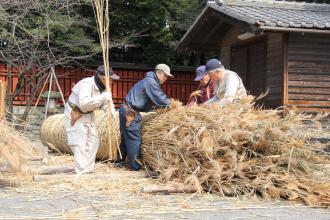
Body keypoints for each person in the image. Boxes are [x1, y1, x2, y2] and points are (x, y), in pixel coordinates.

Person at [64, 65, 119, 174]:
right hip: (76, 113)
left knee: (93, 142)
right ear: (103, 78)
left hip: (89, 115)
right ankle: (82, 171)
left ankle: (88, 169)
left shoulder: (105, 88)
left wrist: (110, 110)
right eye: (111, 79)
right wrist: (102, 97)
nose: (112, 81)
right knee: (79, 143)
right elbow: (84, 104)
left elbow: (106, 103)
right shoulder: (87, 84)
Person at [117, 64, 172, 171]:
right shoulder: (150, 82)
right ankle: (135, 166)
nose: (166, 79)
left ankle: (119, 161)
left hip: (127, 110)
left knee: (126, 137)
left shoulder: (149, 81)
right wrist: (173, 104)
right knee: (134, 139)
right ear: (159, 73)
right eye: (165, 76)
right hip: (130, 112)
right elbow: (160, 99)